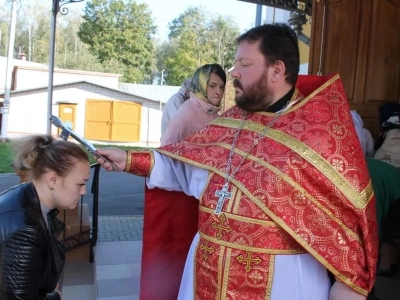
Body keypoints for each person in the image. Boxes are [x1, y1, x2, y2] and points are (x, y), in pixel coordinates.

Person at [97, 24, 378, 300]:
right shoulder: (230, 122)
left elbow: (347, 218)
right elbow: (187, 169)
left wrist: (349, 282)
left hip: (283, 279)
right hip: (206, 269)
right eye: (235, 63)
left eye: (244, 64)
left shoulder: (319, 135)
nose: (233, 73)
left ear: (277, 70)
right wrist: (130, 159)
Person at [0, 134, 90, 300]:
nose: (83, 191)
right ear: (53, 179)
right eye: (80, 183)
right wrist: (55, 296)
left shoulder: (26, 197)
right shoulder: (26, 231)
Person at [161, 63, 226, 146]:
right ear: (200, 86)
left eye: (222, 87)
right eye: (212, 86)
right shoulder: (187, 112)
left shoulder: (215, 114)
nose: (218, 92)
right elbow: (164, 151)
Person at [366, 158, 400, 278]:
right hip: (393, 188)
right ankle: (391, 263)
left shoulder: (362, 175)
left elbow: (375, 216)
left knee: (388, 232)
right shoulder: (363, 164)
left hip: (396, 196)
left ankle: (385, 266)